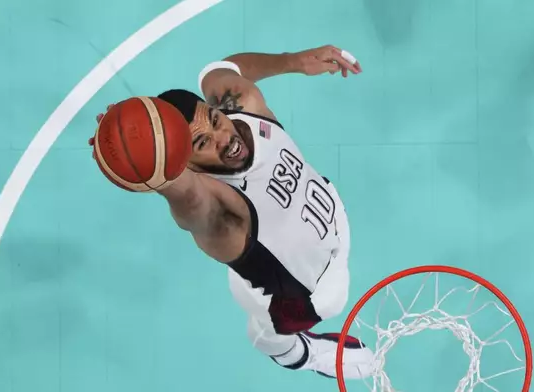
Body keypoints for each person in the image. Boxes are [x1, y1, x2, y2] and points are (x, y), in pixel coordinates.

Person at [91, 45, 373, 379]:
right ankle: (300, 355)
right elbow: (183, 193)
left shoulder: (243, 105)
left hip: (333, 217)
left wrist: (295, 61)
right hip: (306, 296)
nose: (224, 137)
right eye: (201, 144)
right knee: (264, 332)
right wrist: (139, 155)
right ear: (185, 163)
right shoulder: (218, 211)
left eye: (213, 120)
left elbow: (219, 68)